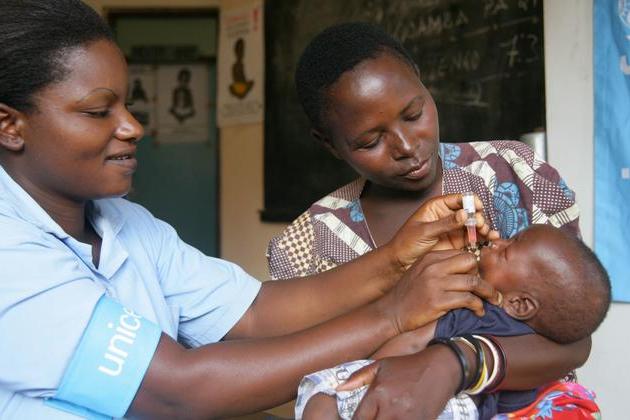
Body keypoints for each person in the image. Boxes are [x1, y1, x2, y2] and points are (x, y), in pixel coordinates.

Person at [0, 2, 504, 418]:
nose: (132, 127)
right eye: (98, 111)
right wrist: (393, 314)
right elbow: (179, 391)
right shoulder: (9, 252)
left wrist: (397, 257)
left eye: (126, 105)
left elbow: (256, 313)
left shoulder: (125, 224)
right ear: (10, 126)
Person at [267, 22, 592, 418]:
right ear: (328, 143)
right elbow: (311, 375)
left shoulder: (513, 174)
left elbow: (574, 333)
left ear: (422, 83)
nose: (407, 147)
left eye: (414, 113)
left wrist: (457, 362)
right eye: (370, 141)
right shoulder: (307, 244)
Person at [296, 223, 611, 419]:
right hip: (477, 409)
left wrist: (373, 367)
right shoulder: (540, 341)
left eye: (506, 251)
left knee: (326, 394)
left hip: (432, 402)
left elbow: (411, 344)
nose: (497, 241)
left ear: (519, 303)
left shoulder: (472, 310)